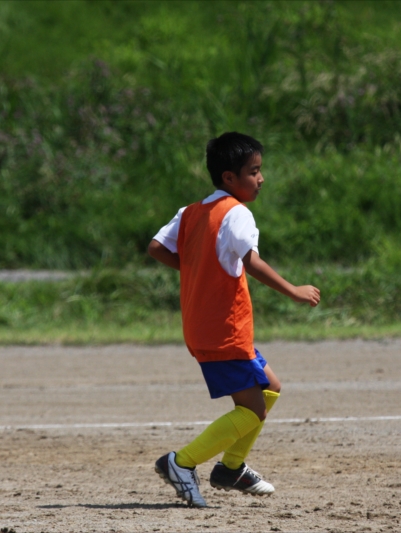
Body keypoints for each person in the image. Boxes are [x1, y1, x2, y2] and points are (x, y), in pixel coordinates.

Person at [147, 132, 321, 508]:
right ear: (229, 177)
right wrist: (294, 290)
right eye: (253, 171)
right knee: (254, 409)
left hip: (205, 327)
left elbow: (156, 247)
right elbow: (251, 261)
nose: (261, 178)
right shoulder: (236, 212)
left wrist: (196, 270)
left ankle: (231, 468)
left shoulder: (190, 212)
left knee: (270, 386)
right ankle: (181, 462)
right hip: (223, 330)